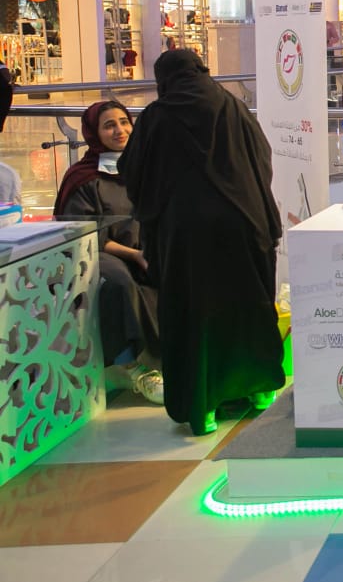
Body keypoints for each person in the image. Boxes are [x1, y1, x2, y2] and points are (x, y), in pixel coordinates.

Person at [119, 49, 284, 435]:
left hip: (186, 235)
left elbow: (132, 171)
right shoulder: (232, 106)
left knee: (194, 314)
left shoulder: (158, 116)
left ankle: (203, 406)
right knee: (247, 306)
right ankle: (259, 390)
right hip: (244, 223)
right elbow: (262, 158)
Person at [53, 101, 162, 404]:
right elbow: (84, 232)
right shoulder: (83, 178)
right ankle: (133, 368)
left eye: (124, 122)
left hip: (144, 249)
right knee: (120, 284)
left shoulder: (144, 168)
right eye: (109, 125)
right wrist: (135, 255)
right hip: (100, 252)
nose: (120, 130)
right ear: (93, 133)